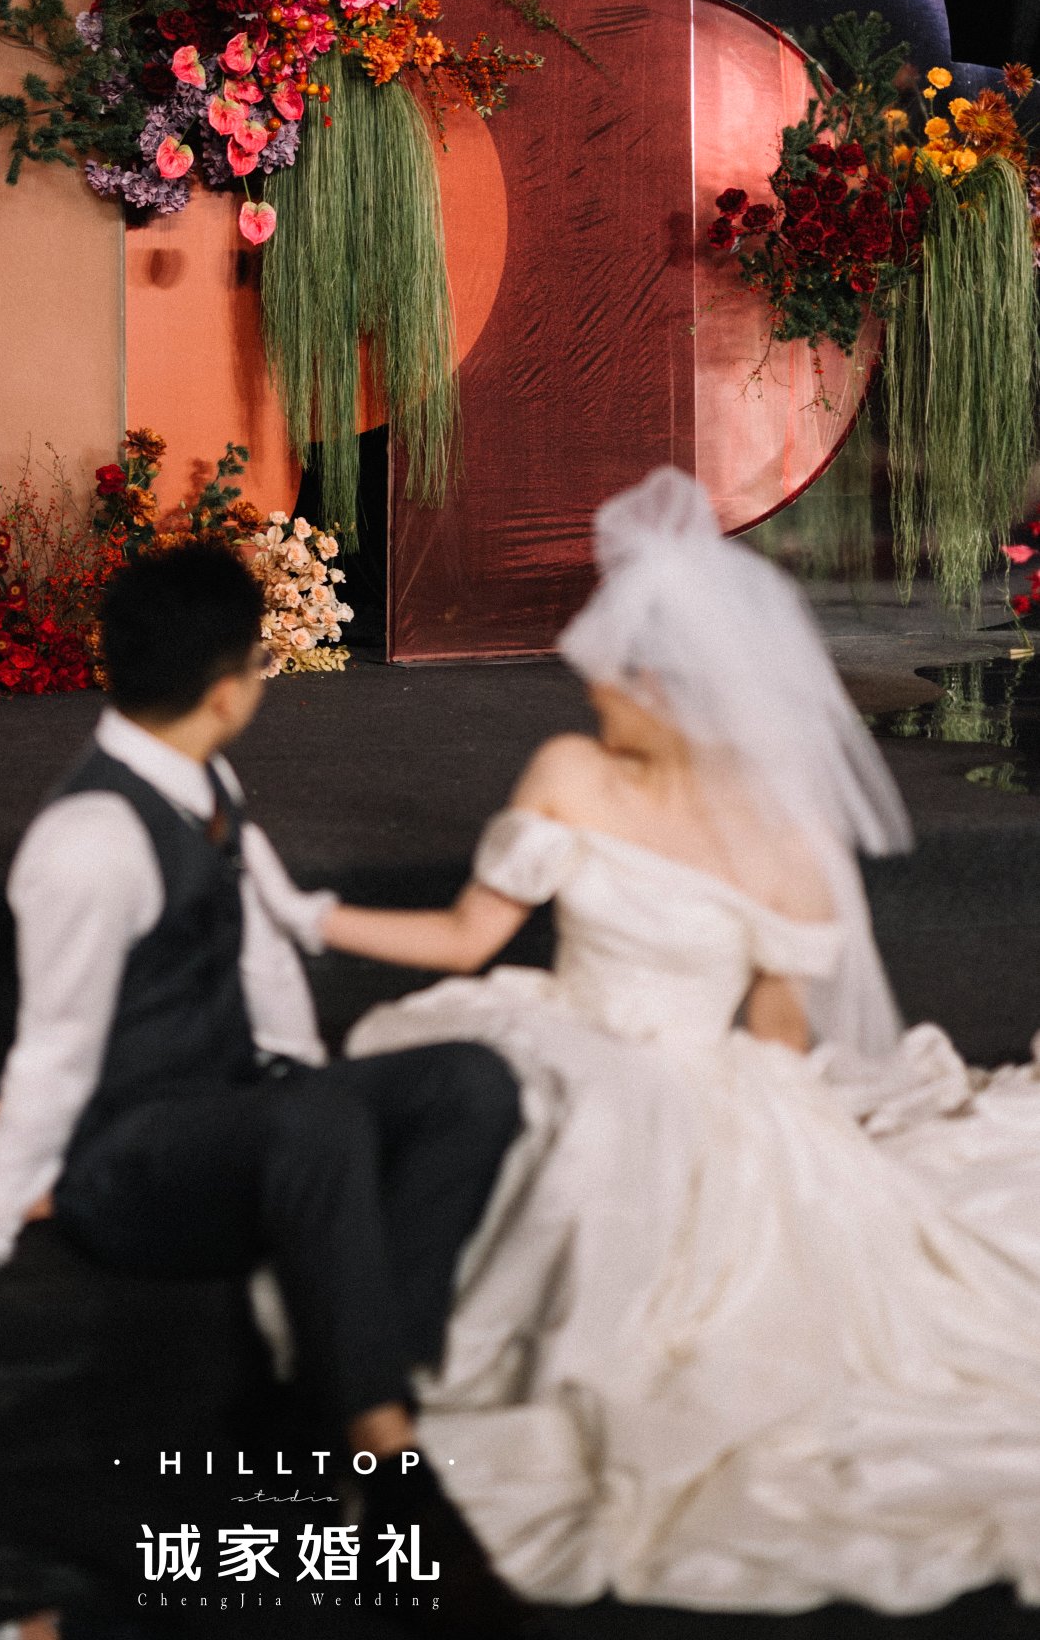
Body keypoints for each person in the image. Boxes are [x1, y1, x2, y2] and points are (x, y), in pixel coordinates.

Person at [321, 465, 1040, 1616]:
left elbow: (774, 1024)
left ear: (662, 687)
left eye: (609, 676)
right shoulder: (575, 770)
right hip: (560, 1031)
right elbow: (470, 936)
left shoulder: (770, 833)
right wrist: (306, 913)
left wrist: (778, 1140)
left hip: (678, 1069)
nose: (588, 690)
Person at [0, 542, 528, 1626]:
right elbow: (53, 1054)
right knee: (313, 1123)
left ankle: (351, 1378)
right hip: (128, 1163)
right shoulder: (89, 838)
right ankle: (382, 1456)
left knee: (469, 1080)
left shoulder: (205, 779)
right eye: (259, 663)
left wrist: (307, 1070)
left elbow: (265, 942)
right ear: (227, 690)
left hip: (241, 1113)